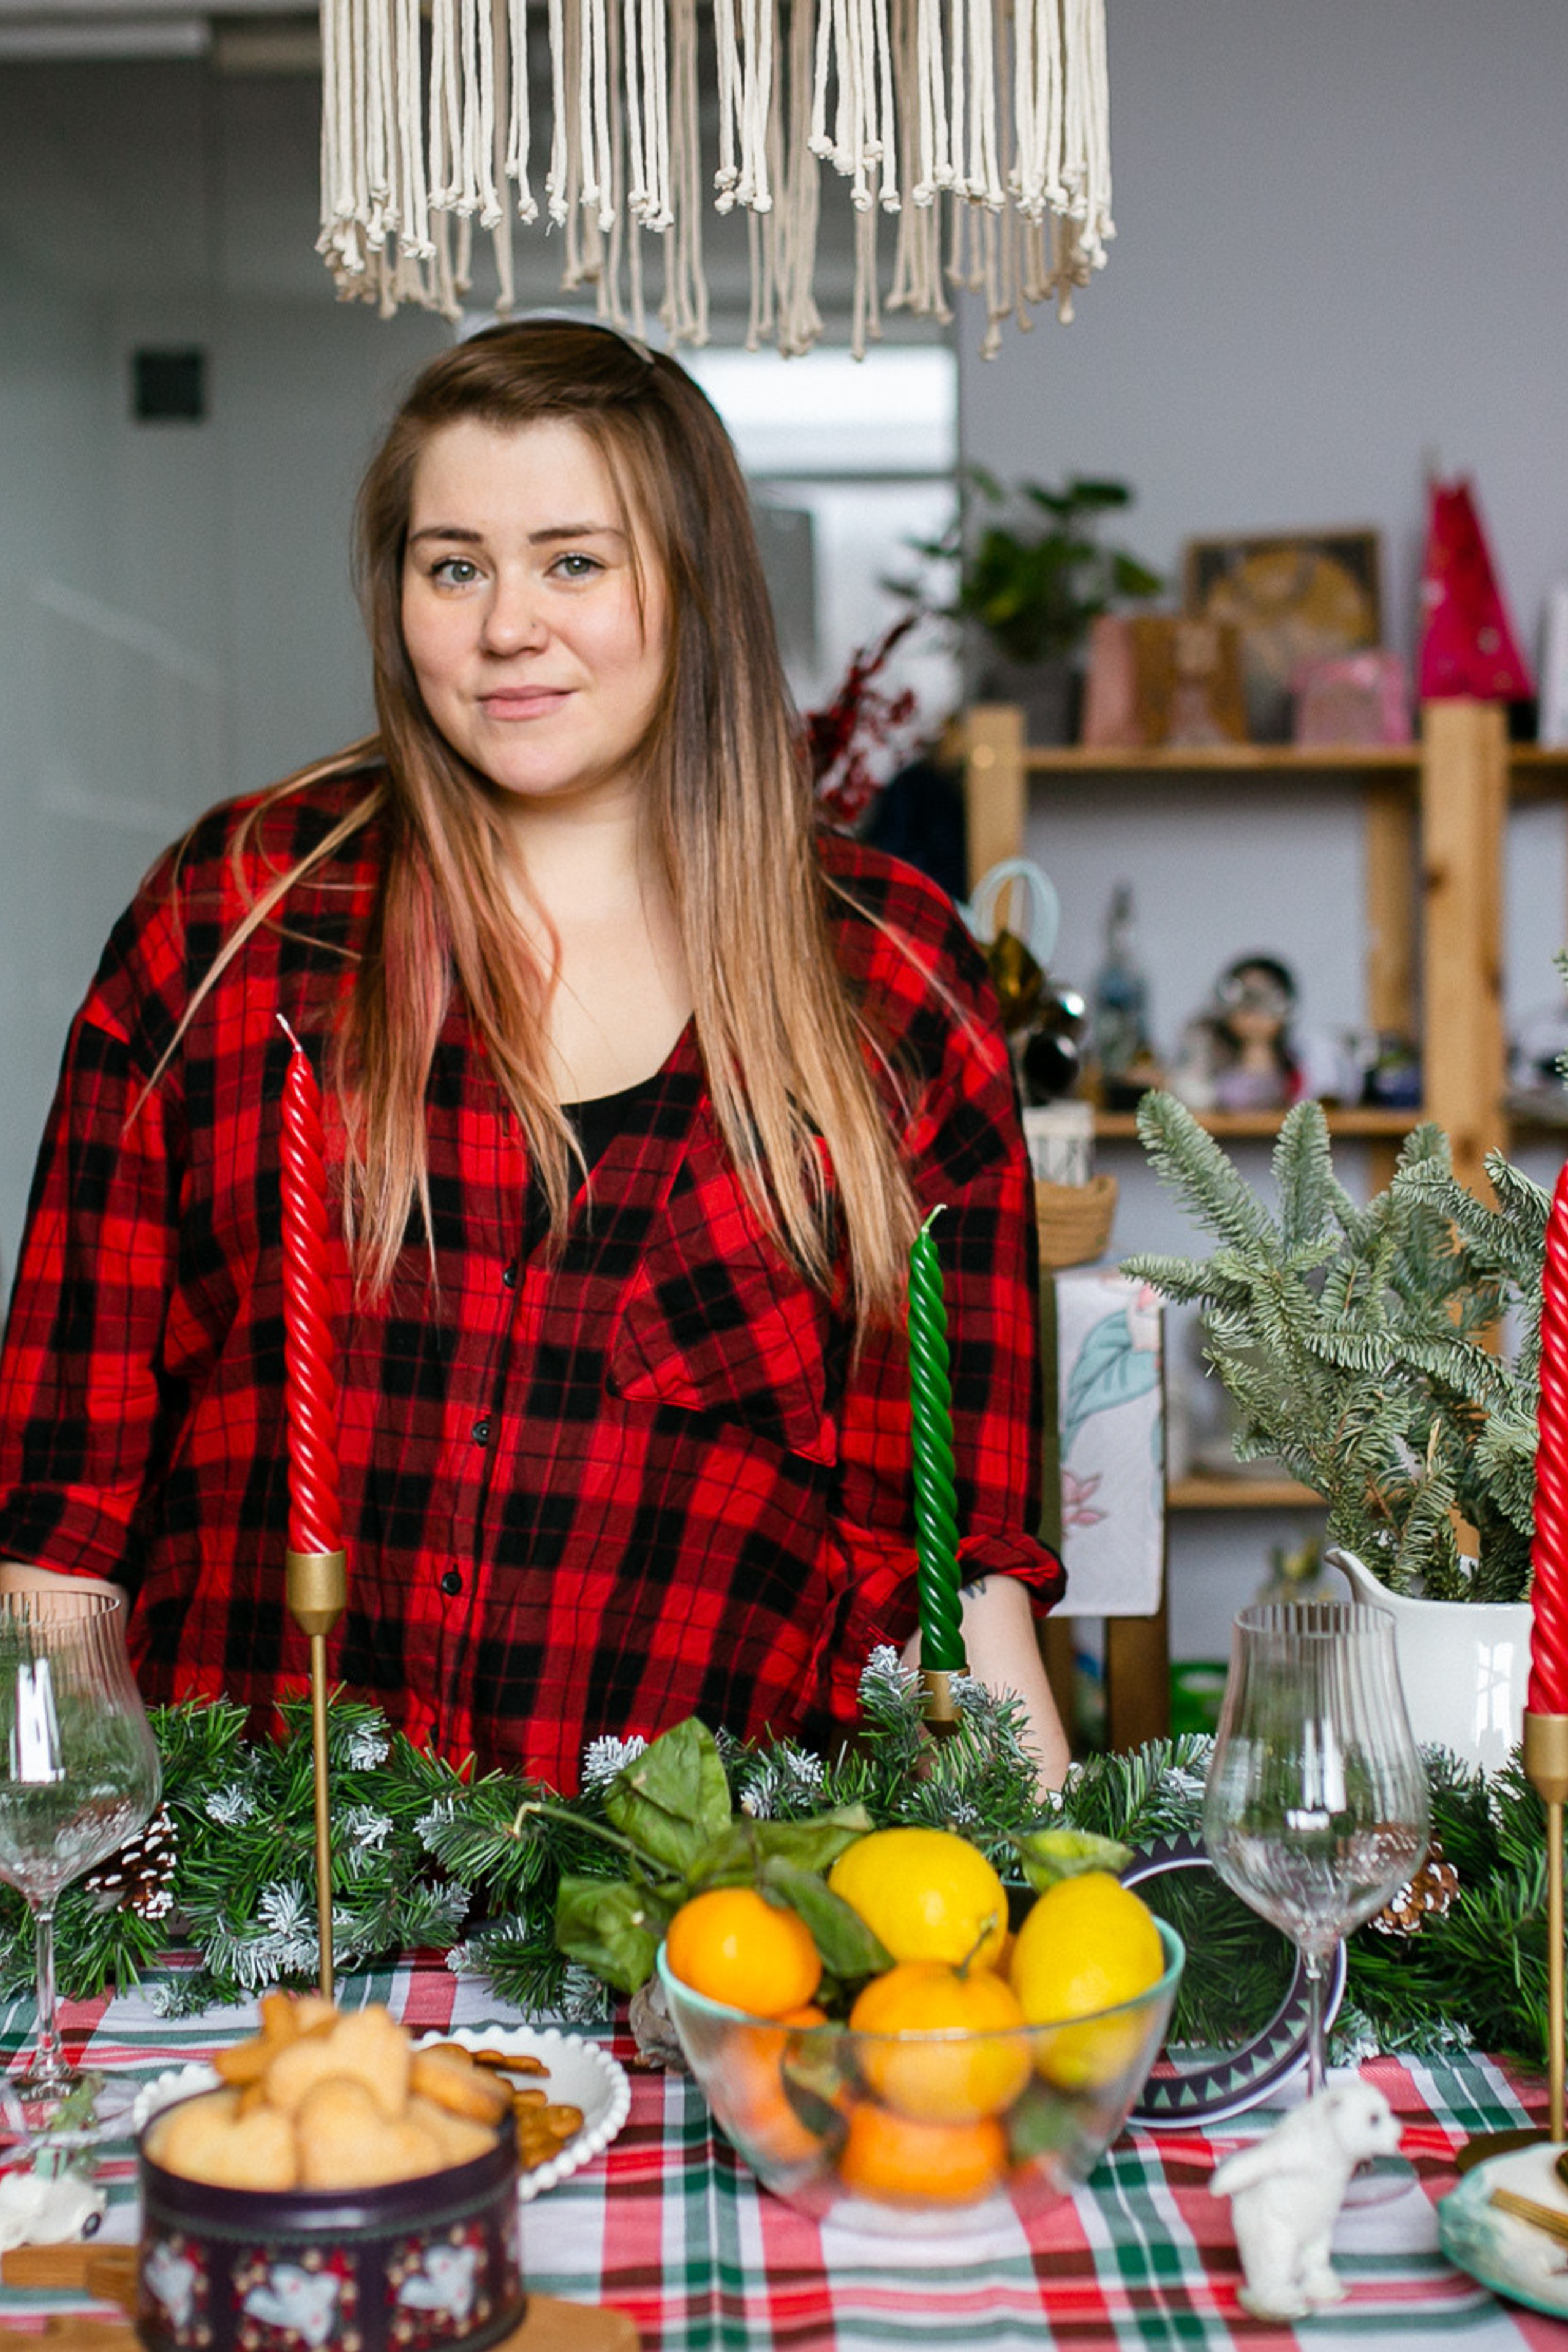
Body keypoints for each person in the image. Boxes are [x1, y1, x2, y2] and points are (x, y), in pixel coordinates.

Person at [0, 321, 1068, 1793]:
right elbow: (65, 1506)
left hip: (699, 1934)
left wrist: (1043, 1901)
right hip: (244, 1928)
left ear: (693, 586)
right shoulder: (236, 917)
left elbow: (948, 1563)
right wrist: (57, 1884)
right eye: (455, 566)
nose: (509, 625)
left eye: (575, 560)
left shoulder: (883, 980)